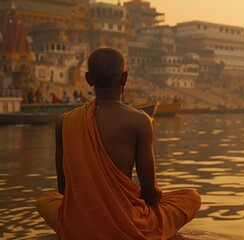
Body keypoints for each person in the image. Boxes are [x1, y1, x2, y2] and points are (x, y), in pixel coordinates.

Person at [36, 47, 201, 239]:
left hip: (79, 226)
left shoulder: (64, 122)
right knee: (191, 197)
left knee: (45, 199)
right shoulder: (140, 121)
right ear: (125, 78)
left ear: (88, 79)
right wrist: (129, 200)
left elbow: (63, 190)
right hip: (128, 225)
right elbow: (150, 195)